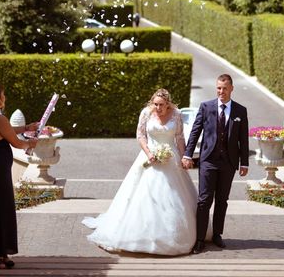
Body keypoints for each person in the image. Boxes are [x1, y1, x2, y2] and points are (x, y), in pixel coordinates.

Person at [82, 88, 197, 255]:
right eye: (156, 104)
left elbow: (179, 137)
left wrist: (184, 157)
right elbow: (140, 135)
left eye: (162, 105)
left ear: (168, 104)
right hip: (148, 157)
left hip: (171, 158)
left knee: (176, 198)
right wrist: (149, 153)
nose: (158, 108)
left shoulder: (176, 114)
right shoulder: (146, 113)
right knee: (143, 197)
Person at [182, 74, 249, 254]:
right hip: (208, 161)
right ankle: (200, 239)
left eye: (225, 88)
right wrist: (188, 154)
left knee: (222, 200)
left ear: (231, 89)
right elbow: (195, 132)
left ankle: (218, 234)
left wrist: (245, 163)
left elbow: (243, 139)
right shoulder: (206, 107)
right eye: (219, 88)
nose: (221, 91)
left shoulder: (240, 111)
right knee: (204, 201)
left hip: (228, 162)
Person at [0, 82, 39, 269]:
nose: (5, 97)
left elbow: (6, 131)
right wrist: (31, 143)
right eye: (2, 94)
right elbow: (16, 143)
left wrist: (27, 127)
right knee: (0, 210)